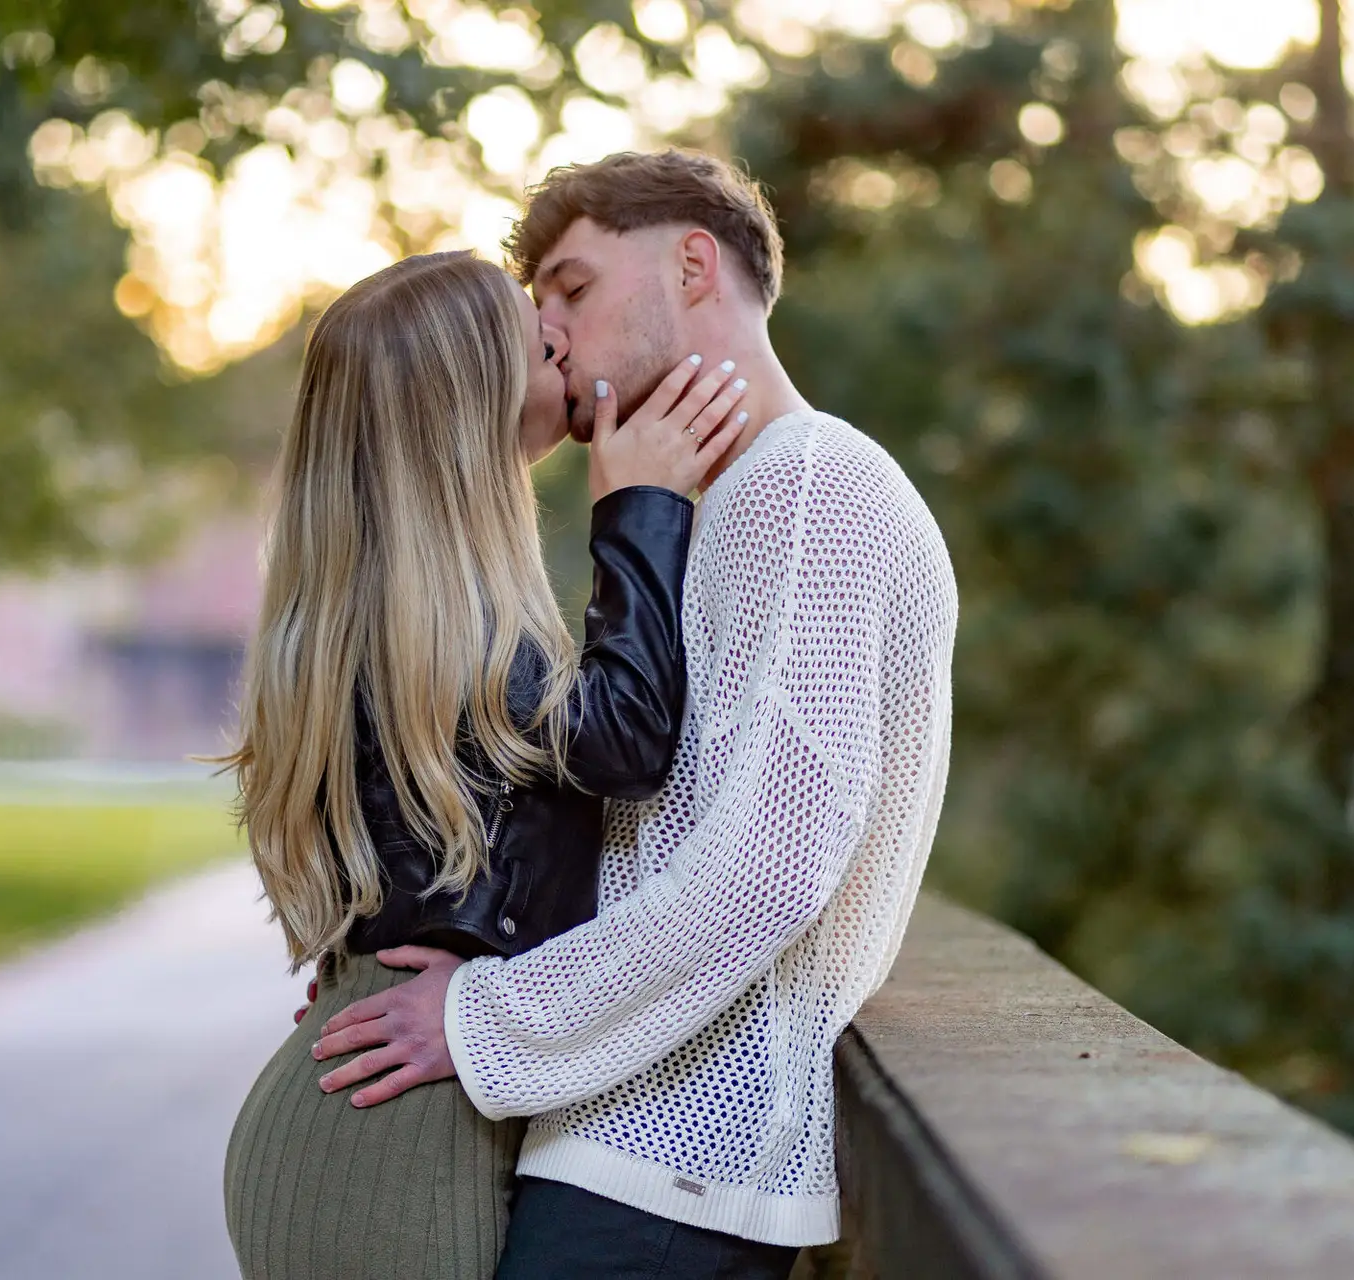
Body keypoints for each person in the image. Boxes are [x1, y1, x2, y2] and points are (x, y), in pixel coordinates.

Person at [307, 150, 959, 1278]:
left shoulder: (812, 486)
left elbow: (770, 869)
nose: (551, 334)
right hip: (614, 1138)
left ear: (693, 266)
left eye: (573, 288)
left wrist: (485, 1017)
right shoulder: (734, 503)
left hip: (668, 1170)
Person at [220, 248, 754, 1280]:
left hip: (372, 1116)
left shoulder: (384, 614)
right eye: (534, 324)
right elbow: (627, 740)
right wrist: (641, 506)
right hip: (386, 1151)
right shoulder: (450, 633)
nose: (559, 332)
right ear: (469, 397)